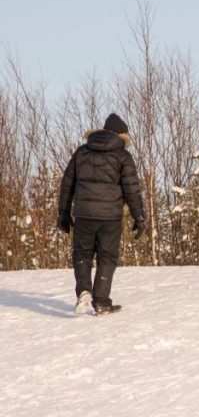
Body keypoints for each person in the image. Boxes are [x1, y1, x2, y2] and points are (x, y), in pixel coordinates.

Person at [57, 112, 147, 315]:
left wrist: (63, 213)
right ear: (121, 136)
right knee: (107, 257)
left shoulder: (82, 152)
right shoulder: (123, 156)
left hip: (84, 215)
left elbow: (67, 184)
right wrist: (139, 216)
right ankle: (102, 302)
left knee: (82, 253)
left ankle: (84, 291)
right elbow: (132, 189)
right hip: (110, 217)